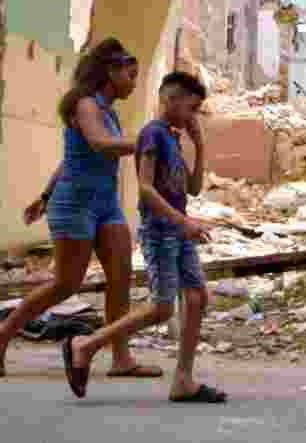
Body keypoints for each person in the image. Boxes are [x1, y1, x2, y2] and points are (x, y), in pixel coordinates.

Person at [0, 38, 162, 380]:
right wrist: (146, 141)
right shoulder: (85, 104)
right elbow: (98, 144)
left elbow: (71, 158)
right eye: (130, 75)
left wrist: (44, 195)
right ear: (111, 72)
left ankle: (121, 357)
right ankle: (1, 332)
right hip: (75, 204)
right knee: (66, 283)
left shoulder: (108, 111)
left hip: (105, 205)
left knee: (120, 278)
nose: (134, 83)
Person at [62, 71, 225, 403]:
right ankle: (86, 345)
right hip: (161, 231)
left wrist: (199, 144)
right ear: (170, 100)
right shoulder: (152, 134)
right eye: (191, 108)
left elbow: (193, 188)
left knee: (196, 298)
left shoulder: (173, 138)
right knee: (162, 308)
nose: (193, 117)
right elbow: (146, 189)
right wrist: (183, 222)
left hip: (179, 231)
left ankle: (183, 380)